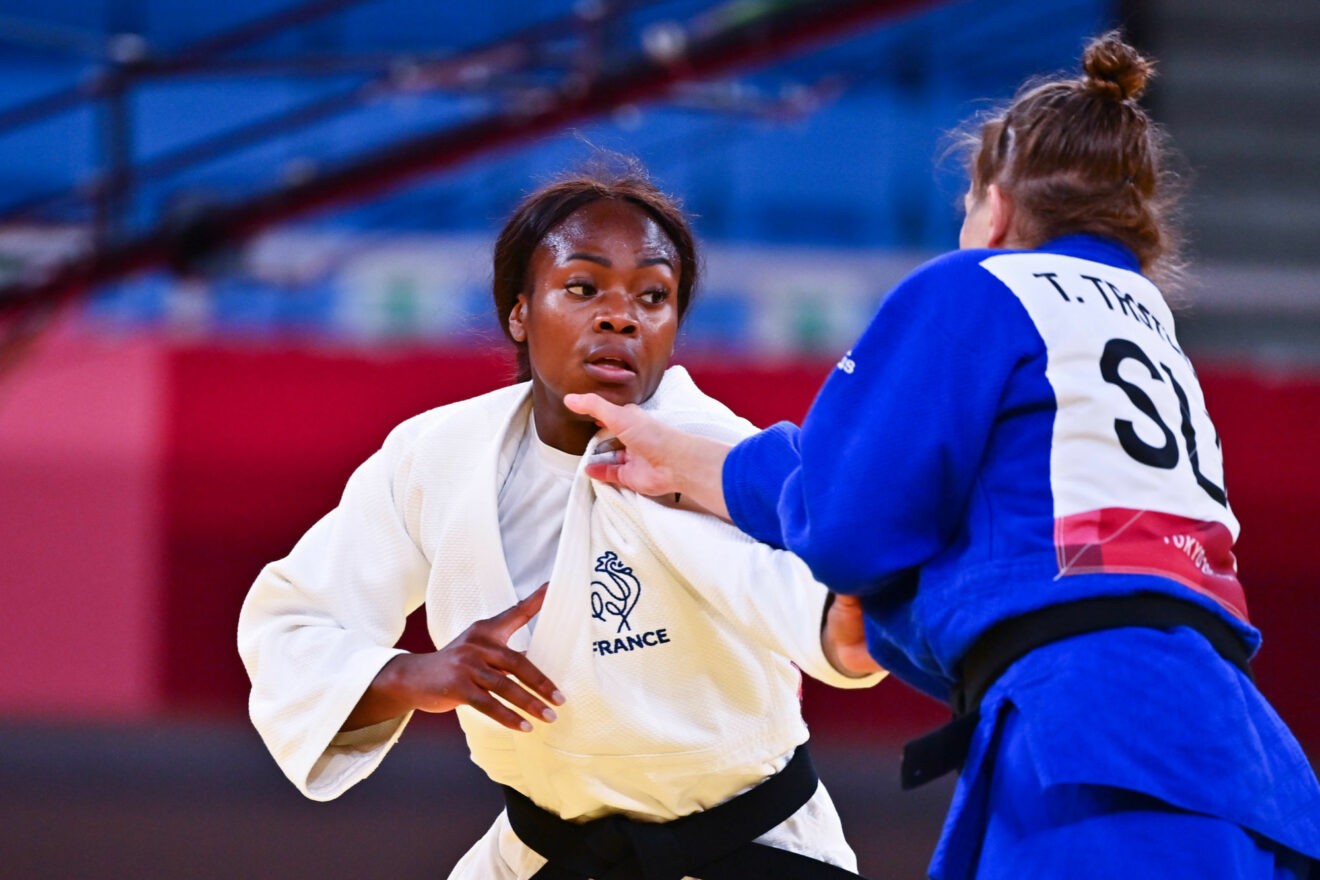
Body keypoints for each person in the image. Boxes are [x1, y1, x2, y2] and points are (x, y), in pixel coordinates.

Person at [564, 33, 1320, 880]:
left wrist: (734, 482)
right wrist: (690, 462)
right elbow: (1028, 560)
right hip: (1248, 771)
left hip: (1096, 749)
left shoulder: (978, 283)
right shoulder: (1152, 333)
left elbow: (849, 525)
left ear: (993, 206)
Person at [237, 160, 886, 880]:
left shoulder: (705, 451)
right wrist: (416, 675)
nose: (621, 315)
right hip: (545, 855)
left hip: (753, 852)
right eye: (582, 287)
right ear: (520, 310)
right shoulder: (438, 454)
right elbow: (293, 622)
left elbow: (792, 592)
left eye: (653, 296)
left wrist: (847, 625)